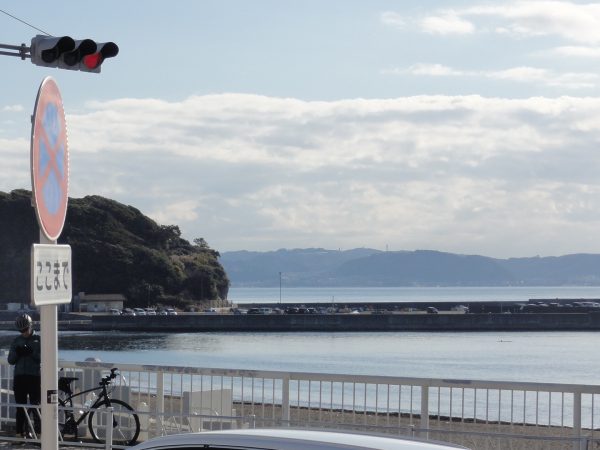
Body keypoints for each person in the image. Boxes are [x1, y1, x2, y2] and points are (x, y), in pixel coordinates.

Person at [7, 313, 41, 439]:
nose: (24, 332)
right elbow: (11, 360)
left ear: (30, 326)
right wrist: (18, 353)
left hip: (34, 376)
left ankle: (39, 434)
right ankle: (19, 434)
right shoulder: (17, 341)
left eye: (25, 329)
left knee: (36, 406)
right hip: (19, 377)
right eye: (21, 331)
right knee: (20, 407)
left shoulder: (39, 339)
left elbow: (44, 358)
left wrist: (32, 353)